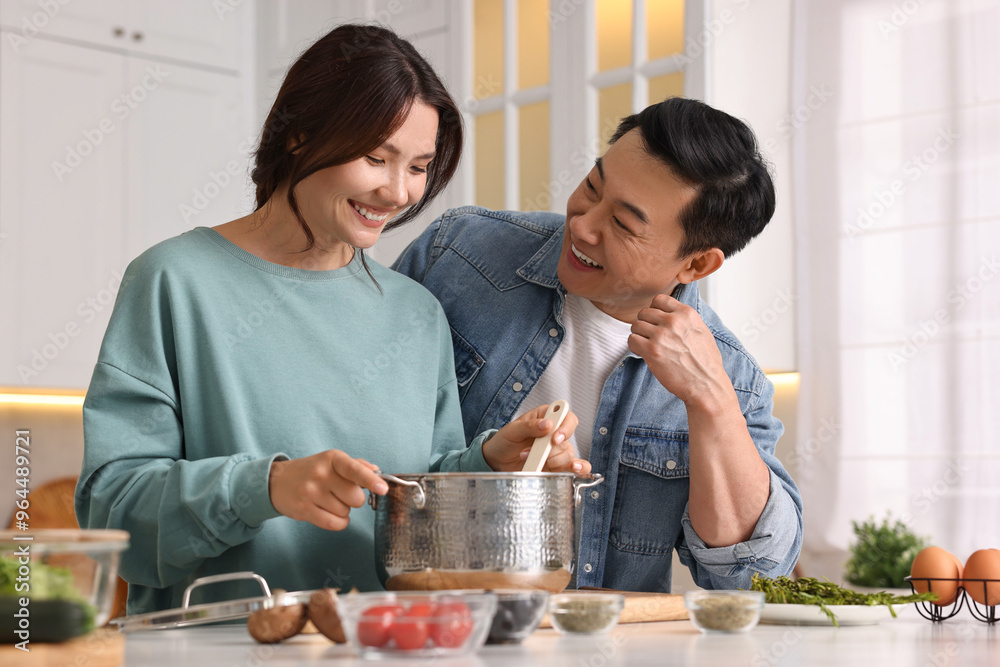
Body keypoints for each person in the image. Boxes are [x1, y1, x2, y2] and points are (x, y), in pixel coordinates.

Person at [75, 23, 580, 615]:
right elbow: (112, 513)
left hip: (387, 644)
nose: (398, 192)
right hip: (215, 646)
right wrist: (263, 488)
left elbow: (412, 495)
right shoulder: (174, 281)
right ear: (300, 135)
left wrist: (489, 463)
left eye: (418, 166)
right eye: (375, 157)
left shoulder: (414, 312)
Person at [393, 96, 803, 593]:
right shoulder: (457, 254)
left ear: (695, 265)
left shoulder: (733, 378)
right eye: (592, 186)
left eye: (624, 226)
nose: (583, 225)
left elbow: (750, 577)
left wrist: (711, 400)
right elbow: (360, 429)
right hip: (425, 629)